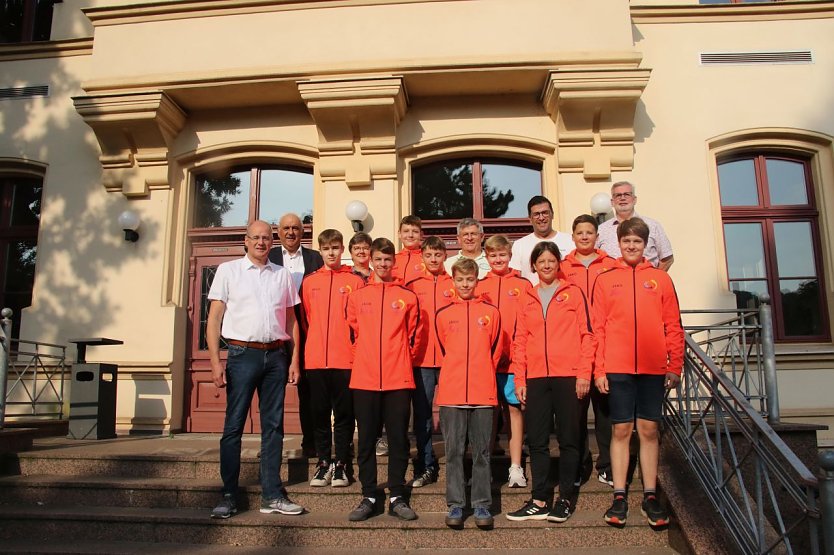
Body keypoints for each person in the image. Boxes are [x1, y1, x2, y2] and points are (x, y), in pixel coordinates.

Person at [207, 220, 305, 519]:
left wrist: (295, 358)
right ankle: (228, 495)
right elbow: (213, 319)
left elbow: (291, 321)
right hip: (241, 354)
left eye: (266, 238)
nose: (262, 242)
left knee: (273, 427)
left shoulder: (282, 275)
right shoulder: (228, 271)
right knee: (234, 426)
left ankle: (272, 495)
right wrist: (214, 362)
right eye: (256, 238)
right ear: (245, 241)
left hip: (276, 356)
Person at [591, 217, 683, 529]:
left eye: (637, 242)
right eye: (627, 241)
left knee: (648, 431)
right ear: (619, 243)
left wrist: (675, 365)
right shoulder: (605, 279)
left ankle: (649, 495)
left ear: (645, 246)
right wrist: (599, 368)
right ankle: (619, 495)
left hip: (652, 367)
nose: (631, 246)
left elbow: (673, 325)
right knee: (620, 430)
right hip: (617, 367)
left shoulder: (660, 279)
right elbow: (598, 328)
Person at [506, 242, 595, 524]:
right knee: (538, 441)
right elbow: (519, 342)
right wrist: (520, 379)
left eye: (551, 260)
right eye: (541, 261)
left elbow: (587, 336)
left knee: (569, 440)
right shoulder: (526, 297)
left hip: (568, 375)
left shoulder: (573, 293)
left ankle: (566, 498)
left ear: (558, 263)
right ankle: (540, 499)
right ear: (533, 265)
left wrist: (583, 374)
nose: (546, 265)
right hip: (535, 378)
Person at [346, 238, 423, 522]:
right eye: (378, 259)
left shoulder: (408, 296)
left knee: (399, 441)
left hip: (397, 379)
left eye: (388, 259)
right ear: (371, 260)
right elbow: (352, 333)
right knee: (365, 441)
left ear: (394, 262)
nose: (383, 264)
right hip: (364, 380)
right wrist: (364, 359)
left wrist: (400, 357)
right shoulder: (357, 296)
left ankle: (397, 495)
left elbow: (415, 335)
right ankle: (368, 495)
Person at [435, 257, 502, 530]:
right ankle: (455, 504)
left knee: (483, 452)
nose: (465, 284)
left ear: (477, 280)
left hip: (482, 391)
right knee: (452, 452)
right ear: (453, 281)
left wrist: (482, 373)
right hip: (452, 394)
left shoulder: (491, 313)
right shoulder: (443, 314)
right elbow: (442, 351)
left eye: (470, 279)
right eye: (460, 279)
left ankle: (482, 503)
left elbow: (495, 351)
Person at [300, 229, 365, 488]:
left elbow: (360, 322)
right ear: (321, 250)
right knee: (319, 413)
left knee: (344, 415)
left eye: (335, 248)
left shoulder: (356, 281)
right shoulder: (309, 282)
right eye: (326, 248)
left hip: (344, 359)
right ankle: (323, 462)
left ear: (342, 250)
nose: (331, 252)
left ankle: (342, 463)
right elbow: (306, 320)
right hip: (316, 359)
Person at [560, 214, 617, 488]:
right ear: (573, 236)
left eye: (589, 233)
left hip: (605, 344)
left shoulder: (610, 265)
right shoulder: (562, 267)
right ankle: (582, 463)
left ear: (596, 236)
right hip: (574, 346)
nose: (584, 237)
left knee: (604, 409)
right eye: (580, 232)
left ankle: (606, 463)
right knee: (576, 411)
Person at [476, 234, 533, 488]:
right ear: (487, 258)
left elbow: (529, 324)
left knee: (513, 412)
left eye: (502, 254)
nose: (498, 259)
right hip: (486, 363)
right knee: (487, 416)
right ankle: (484, 467)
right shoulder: (479, 286)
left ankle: (516, 466)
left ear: (510, 256)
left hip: (513, 362)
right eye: (493, 255)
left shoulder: (523, 285)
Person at [269, 212, 324, 457]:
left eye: (296, 228)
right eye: (286, 228)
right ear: (278, 232)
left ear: (303, 232)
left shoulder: (315, 258)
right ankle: (271, 445)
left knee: (309, 393)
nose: (291, 232)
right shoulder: (267, 256)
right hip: (275, 332)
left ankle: (310, 443)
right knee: (272, 393)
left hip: (308, 333)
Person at [405, 235, 455, 488]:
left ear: (445, 255)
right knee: (422, 416)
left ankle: (455, 467)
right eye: (429, 255)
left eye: (438, 254)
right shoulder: (412, 286)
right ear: (422, 257)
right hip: (421, 360)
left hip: (449, 362)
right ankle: (426, 465)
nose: (434, 259)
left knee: (450, 416)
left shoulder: (455, 282)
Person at [595, 181, 674, 271]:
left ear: (634, 200)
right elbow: (594, 259)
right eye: (618, 195)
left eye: (627, 194)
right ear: (612, 202)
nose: (622, 198)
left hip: (645, 283)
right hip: (614, 283)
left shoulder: (652, 226)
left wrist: (654, 278)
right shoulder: (601, 230)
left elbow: (667, 259)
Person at [509, 196, 573, 285]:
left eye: (545, 213)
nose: (541, 218)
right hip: (531, 297)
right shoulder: (519, 245)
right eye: (536, 214)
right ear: (530, 219)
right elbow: (515, 279)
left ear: (552, 215)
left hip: (564, 296)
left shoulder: (570, 241)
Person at [391, 215, 425, 284]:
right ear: (399, 234)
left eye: (415, 231)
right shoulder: (392, 259)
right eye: (406, 231)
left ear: (421, 235)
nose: (410, 235)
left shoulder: (428, 259)